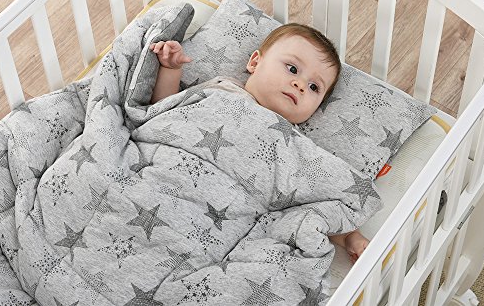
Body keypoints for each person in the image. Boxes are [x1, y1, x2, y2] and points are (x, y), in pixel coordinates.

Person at [149, 23, 369, 262]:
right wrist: (170, 70)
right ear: (255, 63)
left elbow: (315, 199)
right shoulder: (221, 90)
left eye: (314, 87)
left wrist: (351, 238)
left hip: (213, 224)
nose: (300, 85)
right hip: (161, 178)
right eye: (292, 69)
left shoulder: (295, 145)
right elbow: (165, 111)